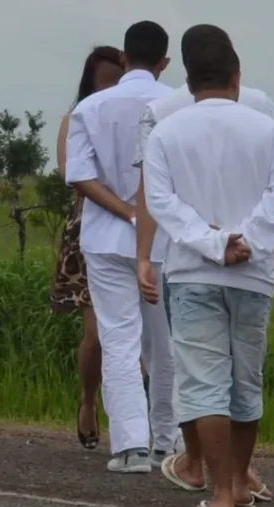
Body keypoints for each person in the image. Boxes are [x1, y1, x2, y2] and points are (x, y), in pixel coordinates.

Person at [142, 25, 274, 507]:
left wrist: (214, 242)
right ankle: (239, 479)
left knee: (203, 382)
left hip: (193, 271)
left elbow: (160, 201)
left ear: (189, 83)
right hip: (252, 273)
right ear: (237, 77)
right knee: (244, 382)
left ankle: (222, 495)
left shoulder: (167, 131)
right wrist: (248, 240)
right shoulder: (266, 128)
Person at [66, 20, 179, 473]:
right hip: (166, 241)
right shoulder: (176, 105)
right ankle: (168, 442)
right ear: (164, 61)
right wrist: (147, 216)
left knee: (118, 339)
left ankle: (131, 446)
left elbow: (79, 176)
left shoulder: (90, 107)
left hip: (105, 239)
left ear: (125, 58)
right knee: (166, 342)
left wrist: (127, 212)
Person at [51, 46, 125, 451]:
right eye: (104, 80)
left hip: (140, 226)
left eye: (119, 78)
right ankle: (88, 400)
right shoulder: (76, 118)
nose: (111, 88)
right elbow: (70, 172)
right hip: (90, 230)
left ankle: (139, 421)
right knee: (96, 334)